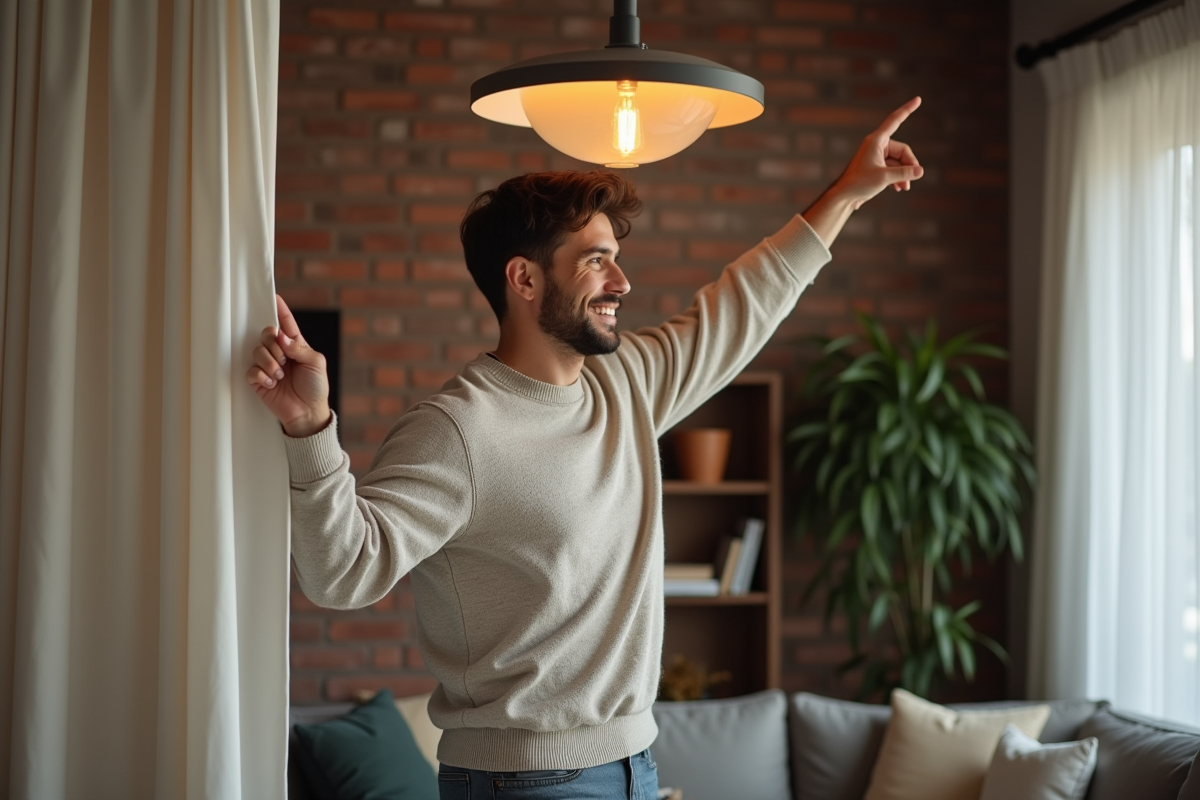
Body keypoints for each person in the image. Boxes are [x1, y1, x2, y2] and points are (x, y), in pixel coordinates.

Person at [248, 97, 925, 800]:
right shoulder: (458, 428)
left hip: (635, 766)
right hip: (523, 781)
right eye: (597, 262)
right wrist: (309, 430)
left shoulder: (624, 383)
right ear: (525, 279)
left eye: (618, 259)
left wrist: (847, 192)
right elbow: (344, 573)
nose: (622, 283)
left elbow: (746, 301)